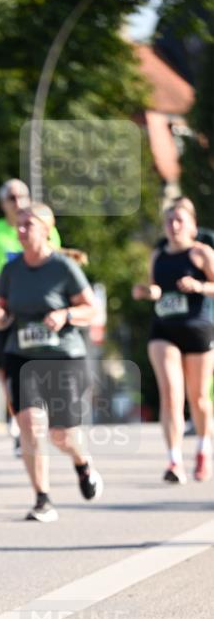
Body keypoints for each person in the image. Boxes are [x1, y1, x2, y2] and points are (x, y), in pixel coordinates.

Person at [0, 202, 102, 522]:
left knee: (61, 435)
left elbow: (91, 310)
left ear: (46, 229)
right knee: (29, 425)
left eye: (29, 224)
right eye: (19, 225)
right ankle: (42, 498)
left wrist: (66, 314)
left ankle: (82, 463)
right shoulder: (11, 270)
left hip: (63, 356)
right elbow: (2, 311)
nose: (21, 230)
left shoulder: (63, 268)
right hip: (21, 355)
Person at [0, 179, 61, 452]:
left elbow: (58, 267)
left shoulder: (46, 228)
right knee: (9, 369)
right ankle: (21, 420)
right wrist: (4, 278)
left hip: (41, 312)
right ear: (2, 203)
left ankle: (39, 415)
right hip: (6, 310)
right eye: (11, 196)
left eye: (22, 194)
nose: (18, 200)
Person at [133, 201, 214, 483]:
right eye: (169, 221)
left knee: (199, 398)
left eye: (179, 220)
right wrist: (147, 291)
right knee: (170, 395)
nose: (174, 226)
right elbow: (156, 287)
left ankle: (203, 450)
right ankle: (174, 460)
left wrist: (200, 286)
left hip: (198, 328)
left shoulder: (202, 253)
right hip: (164, 329)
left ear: (192, 226)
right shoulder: (158, 255)